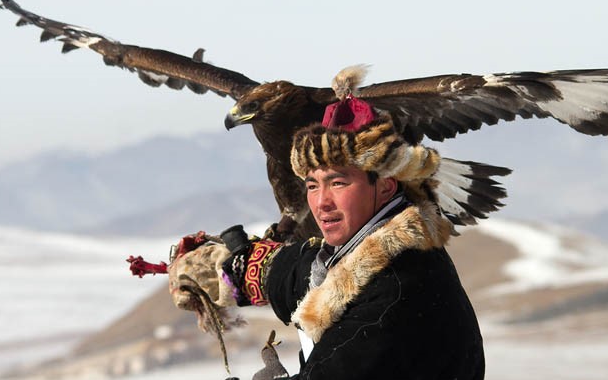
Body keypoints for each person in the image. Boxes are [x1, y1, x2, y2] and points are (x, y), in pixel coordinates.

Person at [169, 80, 510, 379]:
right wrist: (248, 269)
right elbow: (317, 273)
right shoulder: (375, 253)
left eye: (338, 183)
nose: (321, 202)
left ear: (386, 184)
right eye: (312, 185)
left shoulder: (392, 300)